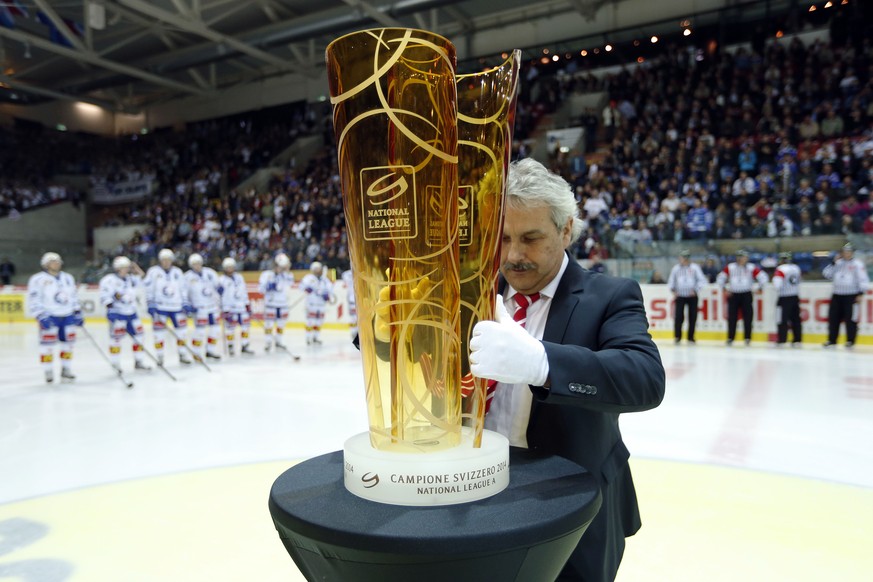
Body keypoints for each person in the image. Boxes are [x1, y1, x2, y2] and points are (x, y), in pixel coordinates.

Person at [468, 158, 665, 582]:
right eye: (503, 239)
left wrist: (543, 364)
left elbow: (645, 377)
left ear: (566, 230)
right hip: (479, 497)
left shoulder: (609, 296)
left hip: (574, 509)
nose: (513, 255)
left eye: (531, 238)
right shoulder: (472, 295)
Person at [26, 252, 83, 383]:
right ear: (45, 264)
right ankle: (48, 371)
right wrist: (40, 315)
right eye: (52, 261)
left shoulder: (68, 277)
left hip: (67, 316)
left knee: (68, 345)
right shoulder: (37, 279)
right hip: (50, 316)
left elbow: (73, 296)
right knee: (47, 346)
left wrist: (77, 311)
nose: (56, 264)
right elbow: (34, 299)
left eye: (58, 261)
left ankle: (66, 369)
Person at [99, 256, 151, 372]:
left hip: (132, 313)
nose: (127, 269)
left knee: (139, 336)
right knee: (116, 339)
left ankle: (139, 361)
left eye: (127, 267)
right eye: (124, 267)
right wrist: (110, 309)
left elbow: (144, 278)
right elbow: (104, 296)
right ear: (117, 268)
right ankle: (115, 363)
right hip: (118, 314)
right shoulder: (109, 280)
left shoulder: (130, 279)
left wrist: (136, 268)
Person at [144, 248, 191, 366]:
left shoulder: (178, 272)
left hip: (177, 308)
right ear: (160, 260)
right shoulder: (153, 272)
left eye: (168, 260)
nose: (166, 262)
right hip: (160, 308)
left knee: (182, 333)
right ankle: (160, 356)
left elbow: (183, 289)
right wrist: (150, 303)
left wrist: (185, 303)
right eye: (164, 260)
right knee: (158, 334)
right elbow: (149, 289)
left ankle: (182, 354)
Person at [716, 250, 768, 346]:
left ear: (746, 258)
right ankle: (730, 337)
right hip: (734, 294)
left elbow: (763, 277)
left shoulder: (751, 267)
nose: (740, 259)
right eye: (739, 257)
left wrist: (760, 288)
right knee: (732, 317)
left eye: (742, 257)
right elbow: (720, 278)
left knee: (748, 317)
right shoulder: (730, 267)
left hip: (746, 294)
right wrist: (724, 289)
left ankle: (747, 338)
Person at [822, 243, 869, 348]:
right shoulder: (837, 263)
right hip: (837, 295)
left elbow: (863, 279)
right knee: (833, 318)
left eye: (848, 251)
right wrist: (833, 263)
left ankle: (850, 340)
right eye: (845, 251)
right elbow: (827, 274)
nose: (846, 253)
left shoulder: (857, 264)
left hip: (851, 295)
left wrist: (861, 293)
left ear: (852, 253)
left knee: (851, 319)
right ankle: (832, 340)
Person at [184, 253, 222, 361]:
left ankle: (210, 350)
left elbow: (217, 285)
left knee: (215, 329)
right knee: (200, 331)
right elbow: (184, 292)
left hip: (212, 307)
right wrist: (187, 304)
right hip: (199, 308)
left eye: (198, 263)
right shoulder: (187, 276)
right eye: (194, 264)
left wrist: (220, 289)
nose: (197, 265)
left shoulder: (210, 272)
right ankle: (196, 352)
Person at [667, 250, 707, 344]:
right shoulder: (676, 269)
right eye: (683, 257)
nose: (684, 259)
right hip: (680, 296)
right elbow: (671, 281)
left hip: (692, 296)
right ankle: (677, 336)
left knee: (692, 316)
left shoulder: (695, 268)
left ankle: (691, 337)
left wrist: (696, 290)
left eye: (686, 257)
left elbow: (702, 280)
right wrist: (673, 290)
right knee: (678, 316)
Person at [258, 253, 295, 352]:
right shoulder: (266, 275)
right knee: (269, 324)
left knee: (281, 325)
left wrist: (286, 271)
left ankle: (279, 341)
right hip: (271, 304)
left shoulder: (287, 275)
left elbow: (291, 283)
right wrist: (269, 286)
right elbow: (260, 289)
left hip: (283, 304)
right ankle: (268, 342)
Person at [218, 257, 253, 356]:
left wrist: (247, 304)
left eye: (231, 267)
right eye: (228, 267)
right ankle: (230, 346)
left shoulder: (239, 277)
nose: (230, 269)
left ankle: (245, 345)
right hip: (230, 308)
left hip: (241, 307)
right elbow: (220, 297)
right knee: (230, 328)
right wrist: (224, 310)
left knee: (245, 327)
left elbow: (244, 291)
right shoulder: (221, 280)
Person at [772, 252, 803, 347]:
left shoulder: (780, 269)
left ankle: (782, 339)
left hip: (784, 297)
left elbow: (777, 285)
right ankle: (797, 339)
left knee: (781, 319)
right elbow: (799, 281)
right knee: (796, 319)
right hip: (795, 296)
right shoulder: (796, 268)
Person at [301, 261, 334, 345]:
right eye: (317, 269)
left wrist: (327, 295)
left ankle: (316, 337)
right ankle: (308, 338)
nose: (319, 270)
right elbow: (301, 286)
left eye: (320, 269)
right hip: (311, 304)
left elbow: (330, 289)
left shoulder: (325, 280)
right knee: (310, 322)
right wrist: (306, 288)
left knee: (319, 322)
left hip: (321, 304)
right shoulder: (308, 278)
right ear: (313, 270)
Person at [340, 266, 358, 340]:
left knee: (355, 318)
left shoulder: (345, 274)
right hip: (354, 300)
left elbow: (344, 285)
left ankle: (355, 332)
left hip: (354, 299)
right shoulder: (347, 274)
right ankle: (354, 332)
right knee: (354, 318)